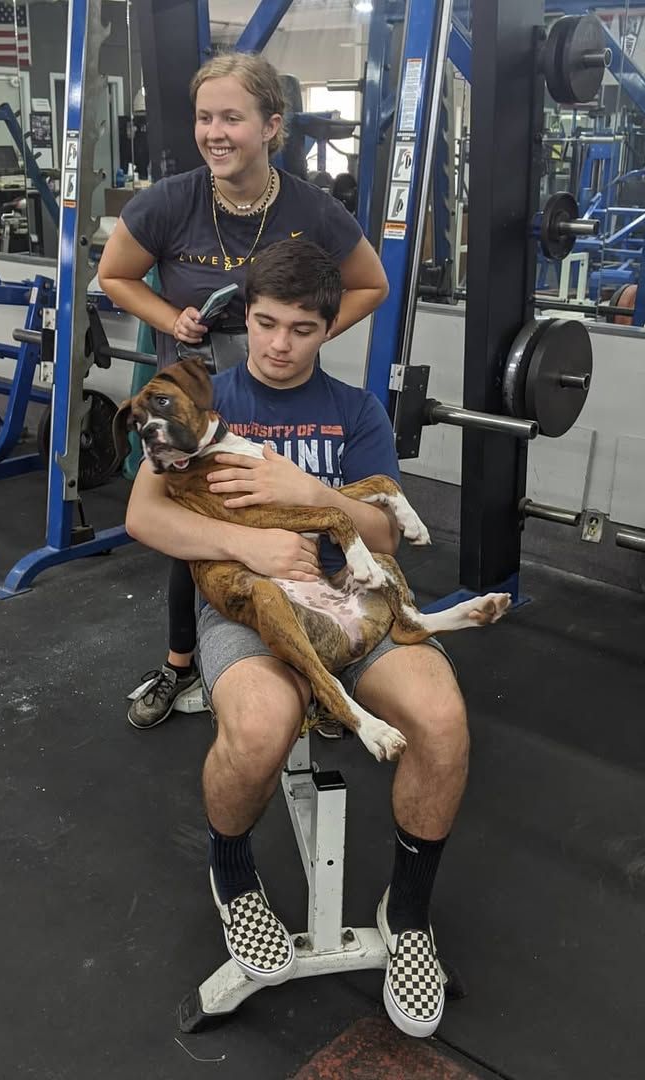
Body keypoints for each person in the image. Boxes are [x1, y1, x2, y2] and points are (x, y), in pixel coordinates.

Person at [125, 240, 466, 1038]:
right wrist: (248, 546)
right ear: (247, 316)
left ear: (328, 329)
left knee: (443, 724)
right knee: (260, 728)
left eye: (303, 329)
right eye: (268, 323)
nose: (280, 345)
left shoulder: (356, 412)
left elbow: (385, 531)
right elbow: (144, 516)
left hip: (351, 595)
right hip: (248, 605)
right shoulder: (198, 398)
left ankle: (408, 917)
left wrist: (308, 491)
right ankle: (233, 874)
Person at [98, 51, 388, 730]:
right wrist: (172, 318)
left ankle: (309, 655)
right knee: (194, 528)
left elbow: (372, 283)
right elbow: (116, 276)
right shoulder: (169, 202)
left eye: (232, 117)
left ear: (272, 126)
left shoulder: (311, 209)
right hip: (196, 392)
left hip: (276, 388)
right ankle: (179, 665)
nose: (214, 132)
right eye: (205, 118)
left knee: (271, 518)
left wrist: (304, 336)